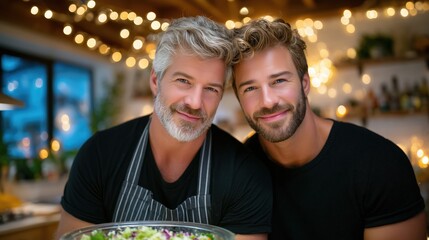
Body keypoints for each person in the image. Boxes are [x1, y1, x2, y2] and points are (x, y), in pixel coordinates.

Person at [55, 16, 272, 240]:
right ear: (155, 81)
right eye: (183, 81)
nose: (195, 103)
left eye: (211, 89)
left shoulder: (245, 174)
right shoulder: (99, 155)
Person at [231, 18, 427, 240]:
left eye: (278, 81)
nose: (267, 101)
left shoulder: (380, 164)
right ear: (239, 98)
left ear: (305, 84)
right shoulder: (238, 174)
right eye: (250, 88)